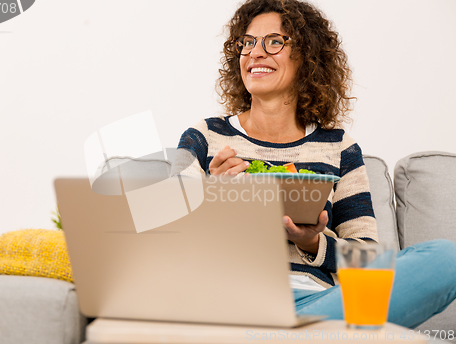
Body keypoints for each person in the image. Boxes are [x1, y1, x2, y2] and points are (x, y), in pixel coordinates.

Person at [171, 0, 456, 328]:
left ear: (306, 57)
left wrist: (313, 242)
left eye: (274, 41)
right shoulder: (204, 136)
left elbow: (368, 259)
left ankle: (294, 332)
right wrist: (212, 198)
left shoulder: (340, 148)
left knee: (445, 259)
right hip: (229, 293)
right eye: (247, 42)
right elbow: (166, 236)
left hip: (319, 304)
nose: (255, 53)